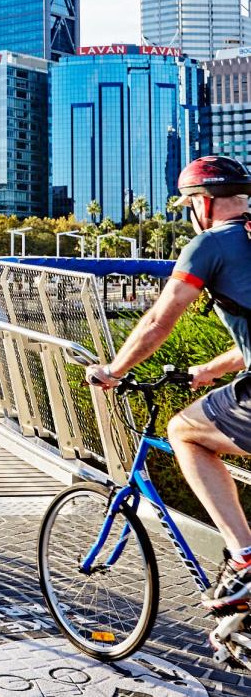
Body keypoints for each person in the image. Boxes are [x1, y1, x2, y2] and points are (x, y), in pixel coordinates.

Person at [86, 156, 251, 611]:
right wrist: (213, 370)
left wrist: (113, 371)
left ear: (203, 203)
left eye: (190, 204)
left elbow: (160, 319)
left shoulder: (210, 243)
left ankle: (244, 561)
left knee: (183, 432)